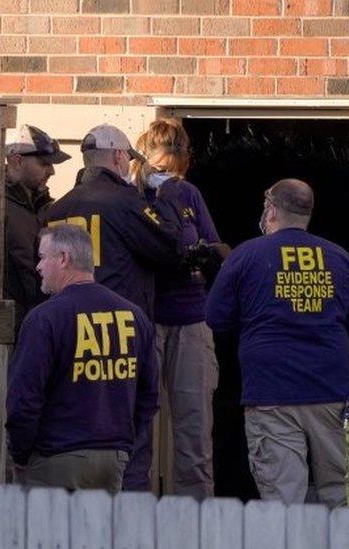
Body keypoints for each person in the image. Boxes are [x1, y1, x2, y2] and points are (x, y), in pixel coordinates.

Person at [205, 178, 349, 507]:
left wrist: (256, 336)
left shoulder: (245, 256)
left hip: (270, 395)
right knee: (344, 494)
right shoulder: (339, 258)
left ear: (271, 210)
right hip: (331, 394)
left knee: (282, 501)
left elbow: (216, 318)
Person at [43, 123, 184, 491]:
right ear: (120, 157)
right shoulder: (126, 202)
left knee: (74, 423)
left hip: (65, 334)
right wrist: (164, 195)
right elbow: (170, 247)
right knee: (129, 431)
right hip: (118, 334)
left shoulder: (56, 209)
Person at [6, 224, 159, 493]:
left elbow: (23, 401)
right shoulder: (134, 316)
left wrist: (20, 455)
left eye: (42, 257)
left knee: (51, 536)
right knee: (98, 535)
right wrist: (124, 444)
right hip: (114, 458)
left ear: (63, 258)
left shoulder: (45, 319)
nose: (38, 267)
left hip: (56, 458)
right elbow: (148, 396)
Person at [133, 118, 228, 500]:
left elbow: (215, 247)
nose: (167, 171)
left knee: (193, 428)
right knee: (137, 424)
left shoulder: (188, 195)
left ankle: (195, 521)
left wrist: (202, 255)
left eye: (173, 161)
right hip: (145, 320)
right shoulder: (131, 196)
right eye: (160, 163)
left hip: (191, 318)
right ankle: (134, 514)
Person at [4, 124, 71, 330]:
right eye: (44, 163)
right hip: (7, 324)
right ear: (17, 161)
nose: (51, 171)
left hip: (42, 319)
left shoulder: (45, 206)